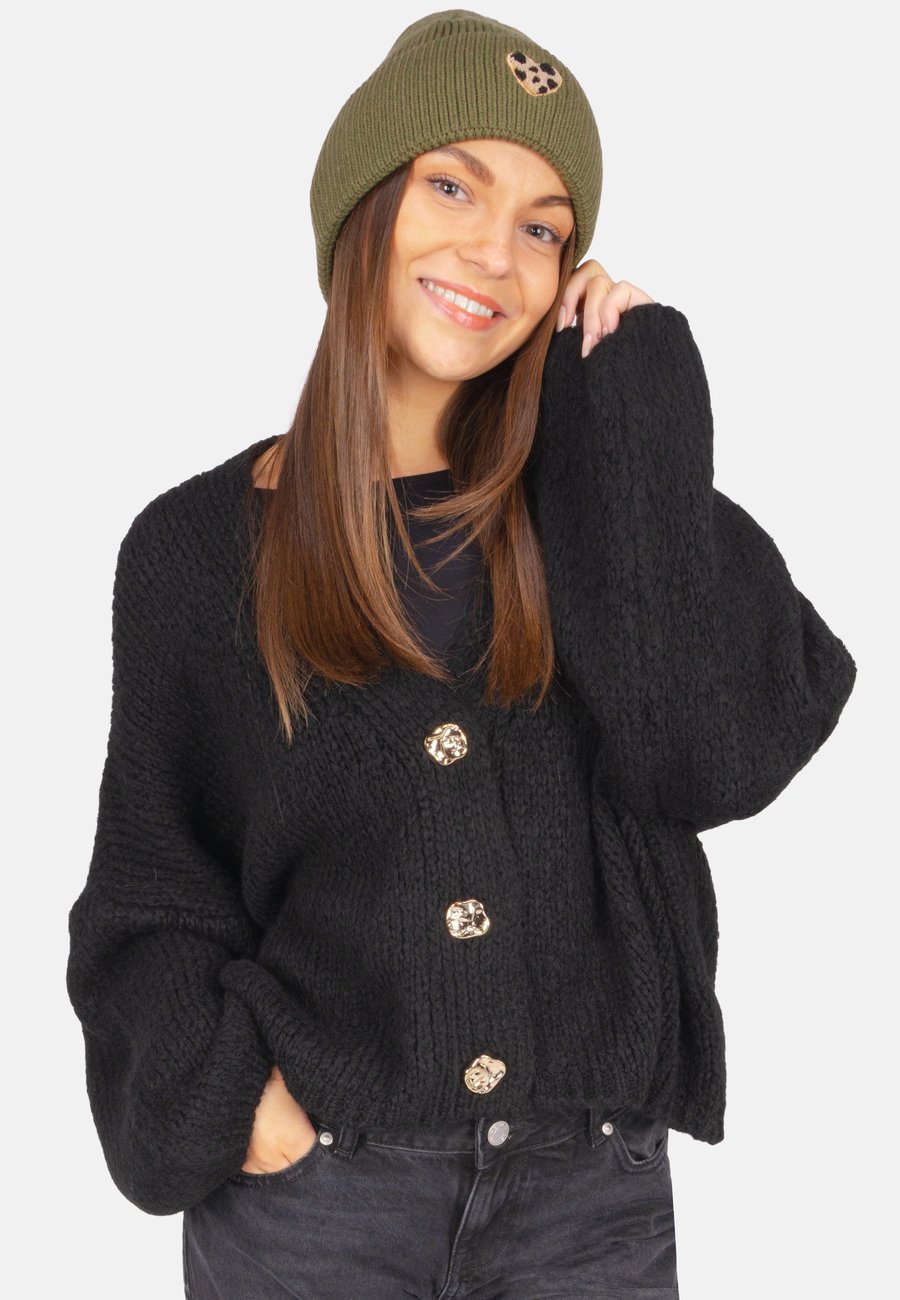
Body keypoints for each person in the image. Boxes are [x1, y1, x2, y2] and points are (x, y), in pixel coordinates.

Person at [65, 10, 858, 1298]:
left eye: (545, 229)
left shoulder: (602, 495)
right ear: (364, 205)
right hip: (315, 1210)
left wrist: (637, 402)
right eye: (453, 187)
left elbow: (710, 758)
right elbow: (153, 895)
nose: (495, 251)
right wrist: (236, 1100)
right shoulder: (192, 550)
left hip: (587, 1203)